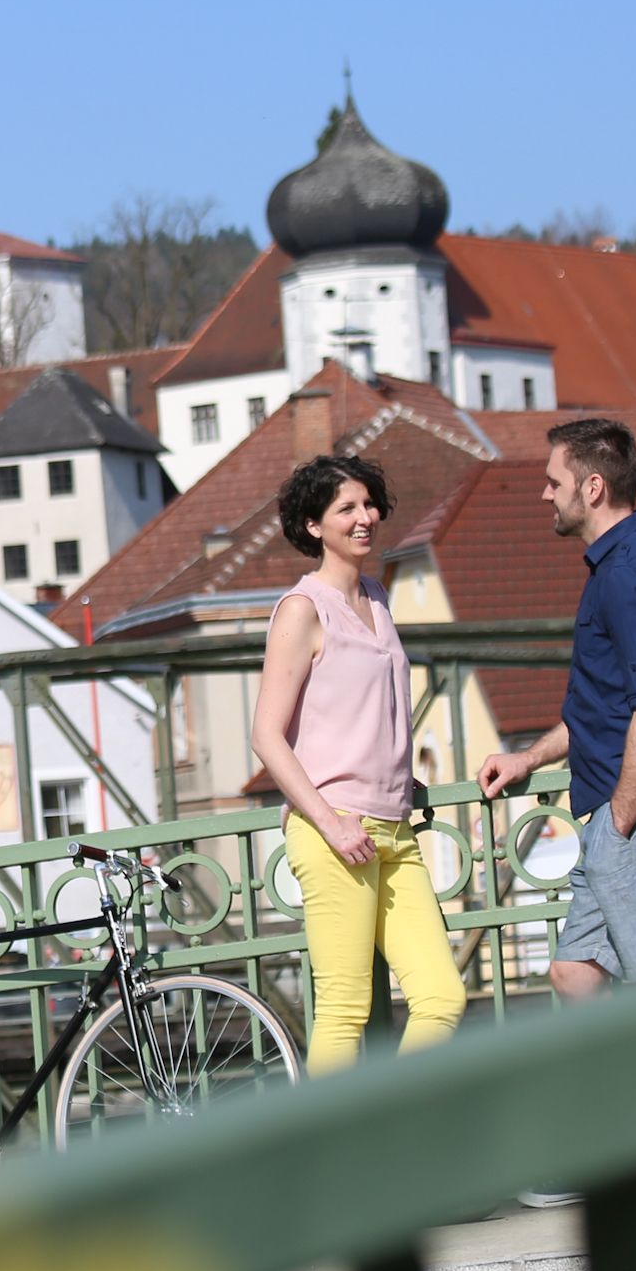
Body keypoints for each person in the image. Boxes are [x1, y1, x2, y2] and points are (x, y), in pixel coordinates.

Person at [478, 416, 636, 1196]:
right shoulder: (626, 565)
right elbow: (608, 711)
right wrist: (530, 756)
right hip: (623, 817)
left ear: (593, 487)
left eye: (554, 481)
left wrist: (620, 822)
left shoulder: (630, 574)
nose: (545, 494)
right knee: (574, 973)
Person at [251, 452, 466, 1073]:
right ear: (314, 526)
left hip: (394, 826)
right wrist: (328, 821)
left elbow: (366, 706)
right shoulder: (302, 610)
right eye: (346, 508)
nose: (364, 516)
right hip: (335, 829)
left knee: (441, 996)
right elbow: (266, 735)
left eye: (369, 504)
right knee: (344, 1010)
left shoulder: (377, 594)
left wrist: (399, 773)